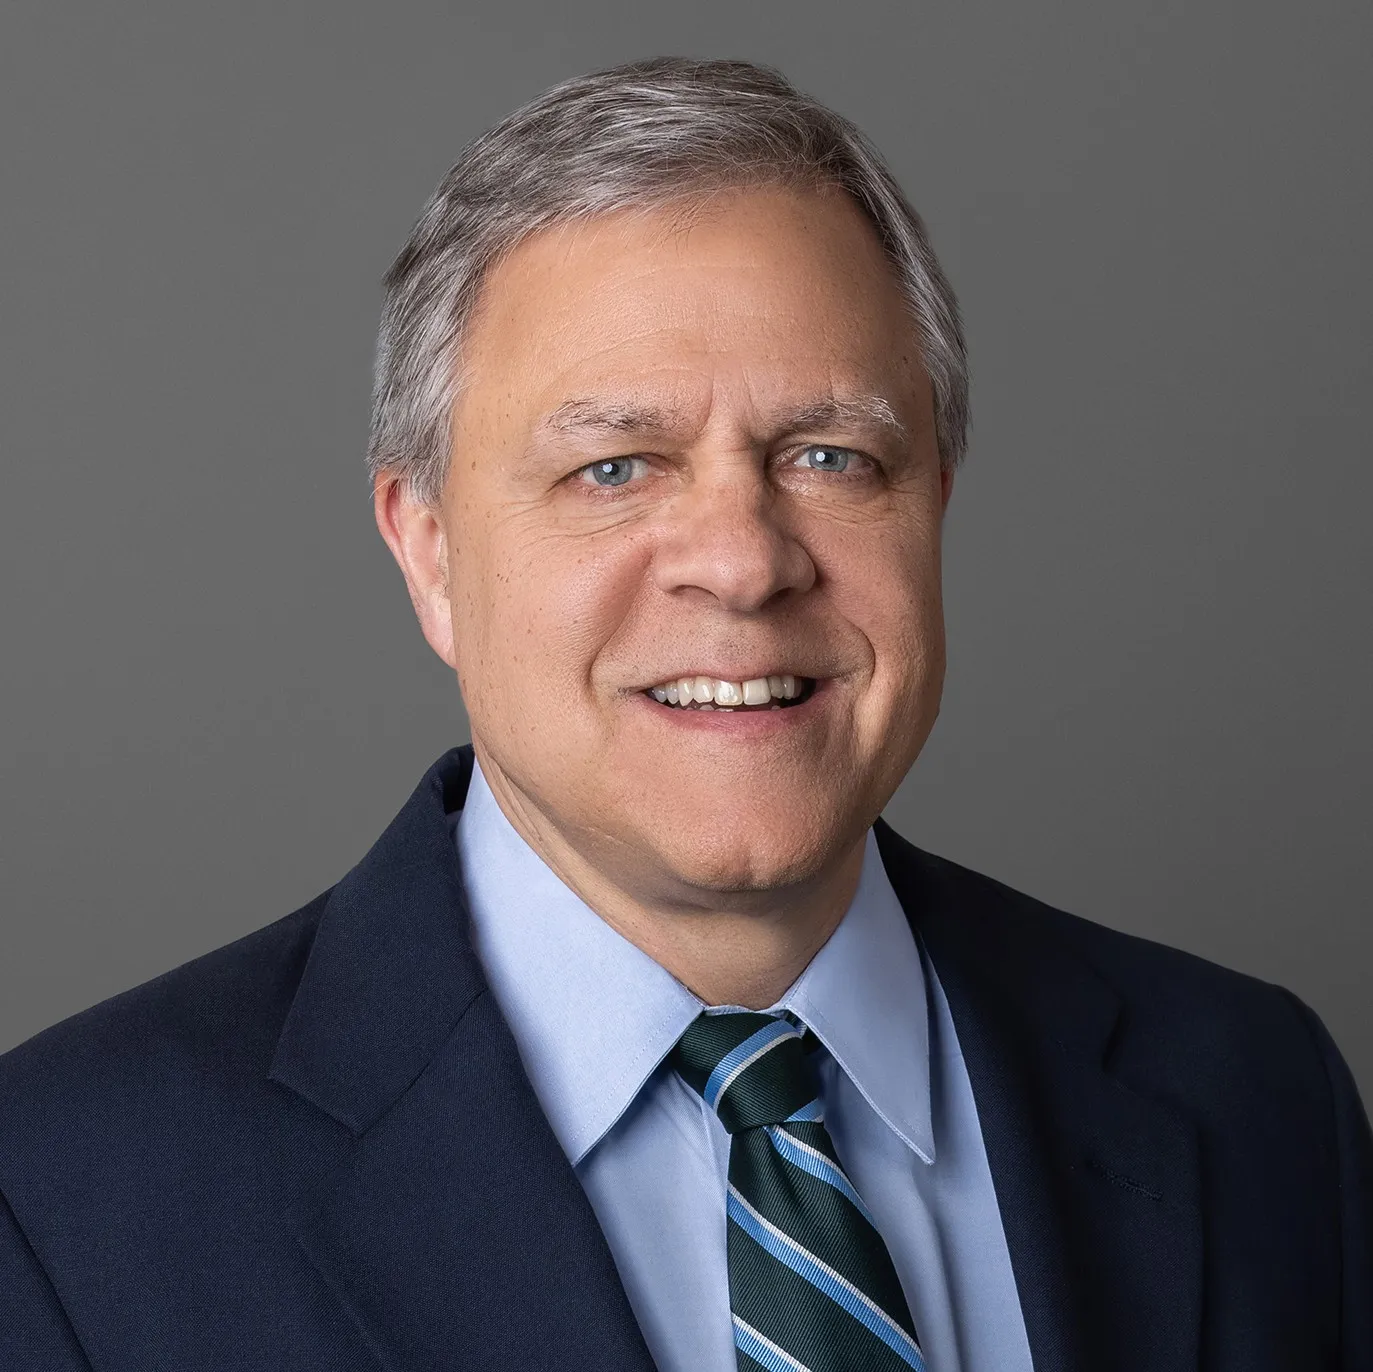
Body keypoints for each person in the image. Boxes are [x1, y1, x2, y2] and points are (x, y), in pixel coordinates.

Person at [1, 55, 1369, 1372]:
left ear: (934, 504)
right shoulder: (68, 1198)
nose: (743, 558)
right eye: (614, 468)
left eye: (830, 455)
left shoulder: (1254, 1097)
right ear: (428, 552)